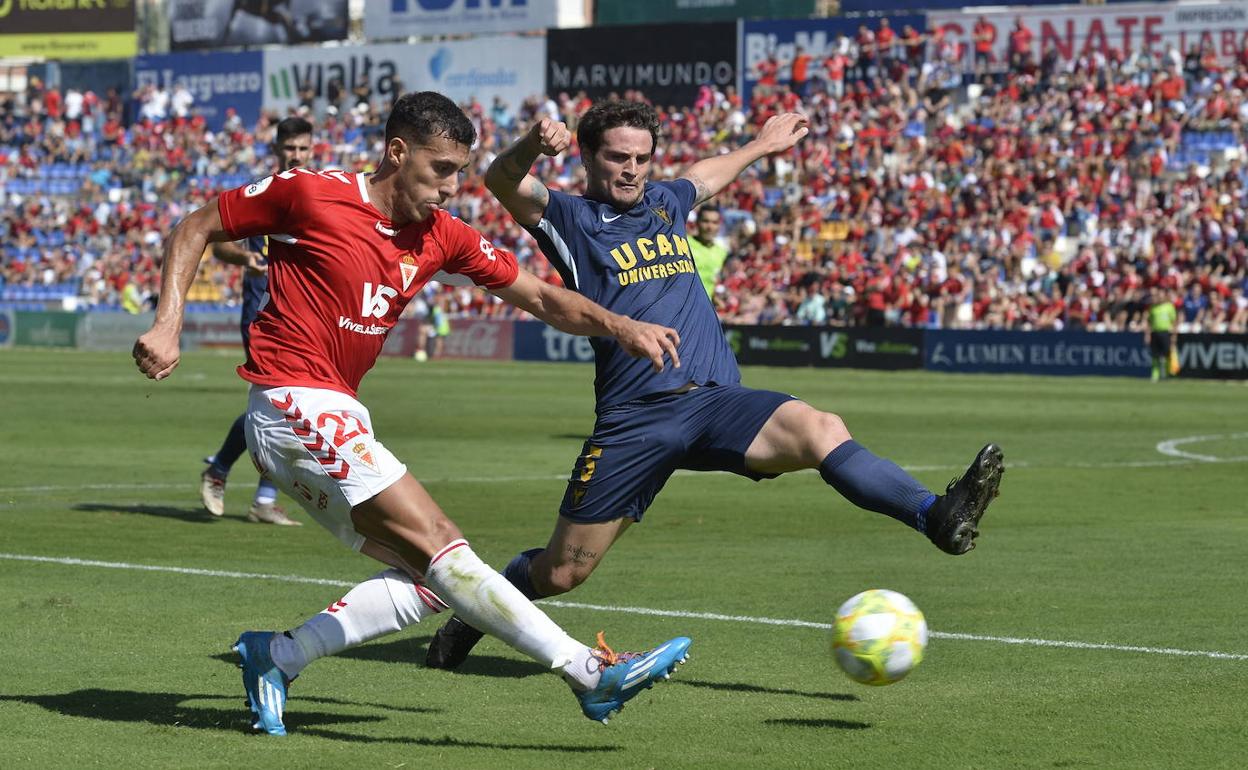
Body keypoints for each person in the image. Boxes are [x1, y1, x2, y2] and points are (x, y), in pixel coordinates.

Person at [133, 92, 692, 736]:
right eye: (441, 169)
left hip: (333, 411)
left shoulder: (441, 235)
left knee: (430, 580)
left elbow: (540, 295)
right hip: (293, 400)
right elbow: (196, 225)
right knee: (441, 545)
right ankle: (589, 673)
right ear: (397, 153)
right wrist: (168, 324)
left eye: (460, 170)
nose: (453, 187)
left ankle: (278, 655)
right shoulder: (311, 193)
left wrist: (619, 324)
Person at [425, 100, 1005, 670]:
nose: (631, 169)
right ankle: (471, 616)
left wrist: (760, 146)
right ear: (587, 157)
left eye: (642, 158)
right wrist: (530, 146)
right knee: (563, 572)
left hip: (718, 401)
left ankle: (936, 515)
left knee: (821, 428)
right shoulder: (571, 219)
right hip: (637, 420)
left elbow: (704, 176)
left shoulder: (663, 202)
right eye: (618, 157)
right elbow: (504, 180)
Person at [200, 117, 313, 526]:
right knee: (281, 406)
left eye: (302, 149)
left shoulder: (320, 193)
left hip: (303, 316)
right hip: (261, 315)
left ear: (311, 149)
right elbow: (218, 244)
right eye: (289, 149)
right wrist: (245, 258)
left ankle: (239, 481)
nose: (295, 156)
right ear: (277, 150)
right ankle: (233, 478)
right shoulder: (260, 193)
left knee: (288, 409)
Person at [688, 206, 728, 300]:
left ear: (719, 226)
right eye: (705, 221)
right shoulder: (684, 244)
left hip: (705, 309)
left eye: (714, 222)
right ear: (697, 222)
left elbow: (712, 281)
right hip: (684, 307)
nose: (710, 227)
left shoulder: (721, 252)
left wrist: (715, 298)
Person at [1145, 287, 1178, 382]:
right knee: (1155, 355)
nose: (1159, 297)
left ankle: (1167, 374)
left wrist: (1174, 335)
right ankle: (1155, 374)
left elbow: (1174, 321)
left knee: (1166, 354)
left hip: (1166, 333)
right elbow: (1149, 322)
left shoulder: (1169, 307)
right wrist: (1147, 334)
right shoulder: (1153, 308)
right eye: (1157, 295)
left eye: (1160, 295)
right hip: (1155, 333)